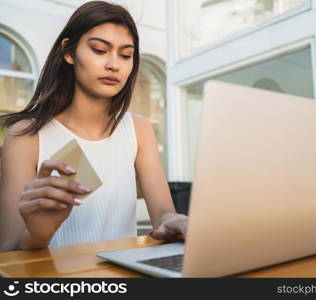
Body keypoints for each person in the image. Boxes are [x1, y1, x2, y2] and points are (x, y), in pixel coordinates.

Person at [0, 1, 187, 251]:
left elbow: (163, 214)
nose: (114, 65)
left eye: (125, 55)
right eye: (99, 50)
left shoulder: (139, 129)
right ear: (68, 51)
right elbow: (6, 253)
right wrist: (37, 235)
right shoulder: (26, 135)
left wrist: (175, 220)